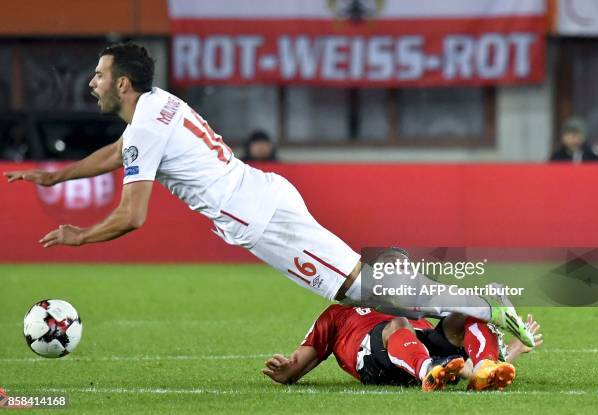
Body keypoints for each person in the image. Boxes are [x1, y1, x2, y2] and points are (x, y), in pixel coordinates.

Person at [3, 43, 534, 347]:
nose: (91, 83)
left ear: (122, 83)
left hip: (259, 218)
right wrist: (56, 177)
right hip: (264, 193)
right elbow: (120, 152)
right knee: (358, 285)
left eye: (99, 75)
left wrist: (81, 236)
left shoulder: (146, 126)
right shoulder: (158, 104)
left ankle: (485, 304)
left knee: (361, 290)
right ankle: (465, 305)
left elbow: (132, 215)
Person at [262, 304, 542, 391]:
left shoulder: (408, 300)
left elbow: (457, 332)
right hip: (374, 360)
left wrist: (513, 350)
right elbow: (294, 370)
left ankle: (484, 369)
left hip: (423, 351)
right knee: (398, 324)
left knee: (471, 312)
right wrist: (286, 369)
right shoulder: (337, 314)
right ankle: (431, 371)